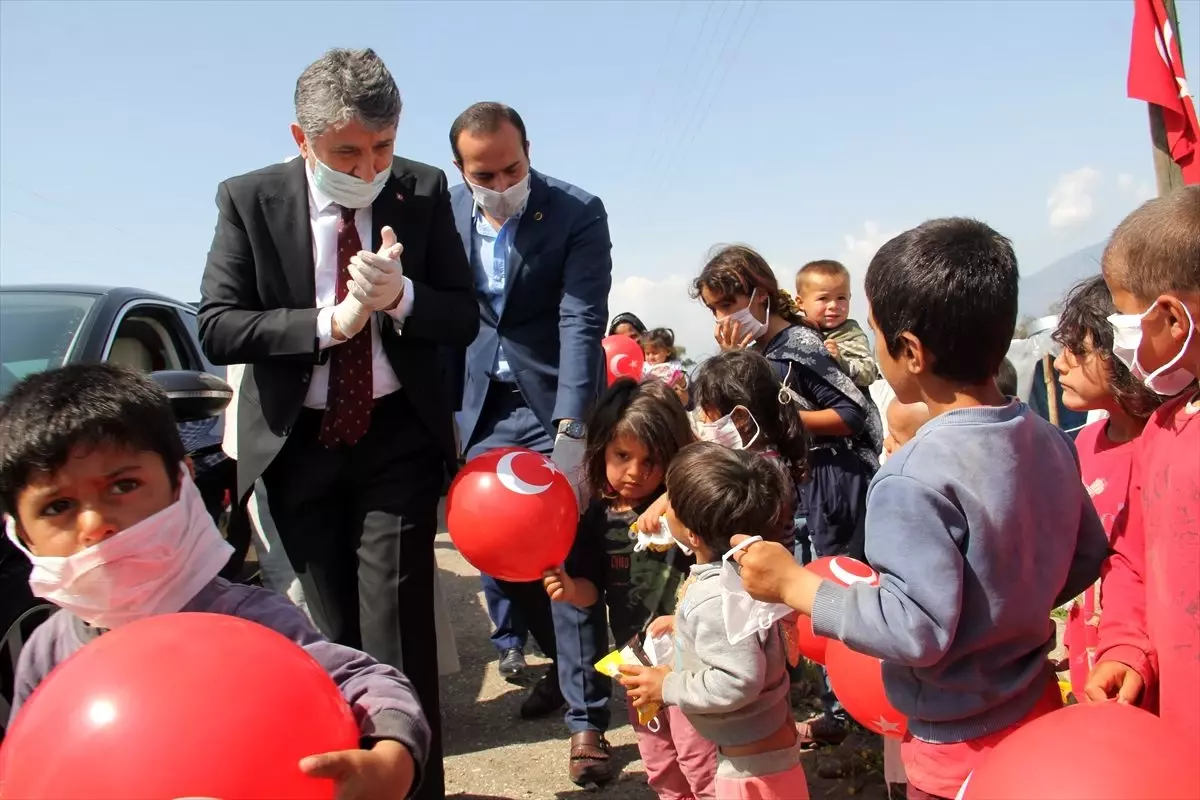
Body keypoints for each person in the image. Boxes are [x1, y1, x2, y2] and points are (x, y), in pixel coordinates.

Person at [728, 217, 1109, 800]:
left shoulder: (911, 476)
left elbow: (913, 632)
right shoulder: (1050, 439)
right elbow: (1084, 556)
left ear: (908, 351)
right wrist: (1007, 607)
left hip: (957, 745)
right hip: (1038, 708)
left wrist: (794, 588)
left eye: (876, 332)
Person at [197, 48, 478, 798]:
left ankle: (417, 790)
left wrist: (402, 298)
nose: (370, 166)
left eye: (382, 147)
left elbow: (461, 313)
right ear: (302, 139)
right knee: (334, 644)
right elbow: (219, 327)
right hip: (299, 448)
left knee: (401, 641)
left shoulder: (420, 190)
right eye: (347, 151)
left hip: (395, 441)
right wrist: (329, 321)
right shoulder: (249, 200)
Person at [0, 364, 430, 799]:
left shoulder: (250, 622)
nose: (95, 524)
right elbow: (30, 765)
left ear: (180, 482)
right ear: (19, 529)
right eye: (58, 507)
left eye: (123, 485)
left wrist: (389, 757)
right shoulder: (46, 653)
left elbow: (365, 683)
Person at [446, 101, 615, 784]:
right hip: (478, 410)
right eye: (484, 174)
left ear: (528, 150)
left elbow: (581, 321)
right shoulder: (446, 214)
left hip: (552, 407)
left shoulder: (576, 211)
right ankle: (554, 668)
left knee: (563, 560)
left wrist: (573, 432)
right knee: (501, 570)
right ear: (462, 171)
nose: (501, 181)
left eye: (512, 167)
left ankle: (587, 721)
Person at [669, 245, 883, 745]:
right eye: (715, 309)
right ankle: (831, 703)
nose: (724, 317)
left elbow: (853, 413)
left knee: (832, 587)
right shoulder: (756, 354)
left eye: (730, 303)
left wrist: (777, 419)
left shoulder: (799, 345)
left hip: (833, 483)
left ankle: (851, 711)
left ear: (760, 294)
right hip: (797, 490)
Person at [542, 379, 715, 799]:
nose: (635, 472)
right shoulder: (597, 520)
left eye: (651, 460)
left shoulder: (691, 504)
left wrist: (673, 496)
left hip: (692, 665)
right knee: (660, 761)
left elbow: (725, 476)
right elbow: (591, 591)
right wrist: (567, 589)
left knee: (701, 759)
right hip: (636, 667)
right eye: (622, 455)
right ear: (601, 447)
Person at [622, 442, 809, 800]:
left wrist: (668, 687)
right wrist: (682, 625)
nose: (664, 507)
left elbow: (739, 679)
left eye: (671, 502)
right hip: (766, 749)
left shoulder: (711, 597)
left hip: (749, 773)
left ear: (693, 535)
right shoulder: (750, 570)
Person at [1085, 186, 1200, 752]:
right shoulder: (1164, 428)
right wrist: (1128, 646)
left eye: (1123, 314)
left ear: (1172, 318)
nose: (1117, 333)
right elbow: (1132, 557)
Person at [1049, 275, 1164, 701]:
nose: (1060, 363)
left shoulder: (1162, 450)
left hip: (1152, 667)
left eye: (1078, 351)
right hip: (1097, 658)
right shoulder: (1081, 445)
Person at [689, 350, 809, 553]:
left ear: (740, 417)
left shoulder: (760, 471)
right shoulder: (765, 458)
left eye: (707, 411)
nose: (701, 419)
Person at [794, 260, 879, 388]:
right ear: (800, 303)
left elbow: (870, 372)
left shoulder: (850, 333)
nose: (834, 306)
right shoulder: (794, 330)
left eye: (841, 298)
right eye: (823, 298)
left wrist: (841, 362)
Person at [641, 328, 689, 406]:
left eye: (655, 353)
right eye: (647, 353)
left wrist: (683, 384)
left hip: (669, 399)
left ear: (668, 351)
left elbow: (684, 380)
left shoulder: (674, 366)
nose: (651, 357)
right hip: (649, 401)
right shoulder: (644, 367)